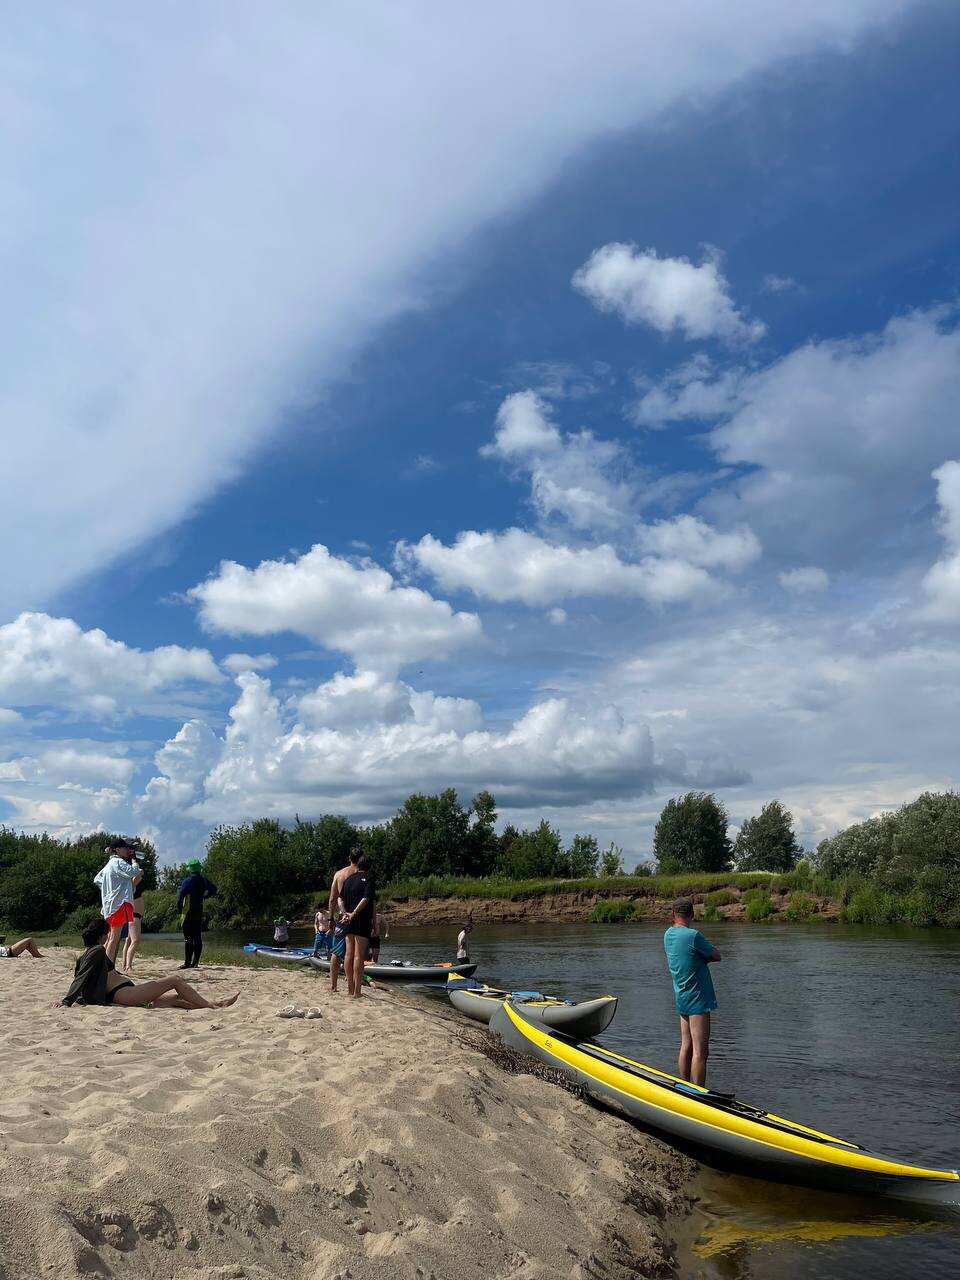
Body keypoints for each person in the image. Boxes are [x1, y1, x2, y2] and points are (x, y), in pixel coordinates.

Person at [62, 917, 238, 1010]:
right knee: (175, 980)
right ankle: (213, 1007)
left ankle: (214, 1003)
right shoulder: (97, 951)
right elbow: (82, 977)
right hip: (123, 993)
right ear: (102, 935)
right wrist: (67, 1001)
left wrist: (76, 998)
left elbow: (83, 977)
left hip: (124, 992)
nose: (108, 937)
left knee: (177, 999)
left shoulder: (86, 954)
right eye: (107, 934)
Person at [663, 897, 721, 1087]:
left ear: (673, 914)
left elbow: (686, 957)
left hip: (681, 996)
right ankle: (697, 1091)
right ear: (692, 915)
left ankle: (684, 1085)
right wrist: (703, 959)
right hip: (698, 998)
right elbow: (716, 955)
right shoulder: (693, 936)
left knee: (686, 1045)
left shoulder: (668, 935)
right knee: (700, 1052)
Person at [94, 839, 143, 963]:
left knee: (111, 936)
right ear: (117, 849)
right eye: (125, 848)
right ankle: (108, 967)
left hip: (110, 905)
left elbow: (97, 879)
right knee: (114, 938)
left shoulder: (109, 864)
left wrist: (109, 889)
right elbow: (134, 872)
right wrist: (135, 861)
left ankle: (105, 965)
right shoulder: (119, 862)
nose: (127, 850)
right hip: (119, 904)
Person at [340, 853, 374, 998]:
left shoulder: (348, 880)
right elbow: (366, 899)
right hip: (361, 920)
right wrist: (353, 913)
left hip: (348, 920)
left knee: (348, 954)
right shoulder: (369, 879)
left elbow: (340, 899)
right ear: (369, 867)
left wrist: (344, 913)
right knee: (358, 956)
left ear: (358, 865)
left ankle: (350, 989)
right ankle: (357, 992)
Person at [328, 849, 360, 993]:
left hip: (343, 917)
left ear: (349, 858)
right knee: (356, 953)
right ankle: (353, 986)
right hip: (358, 917)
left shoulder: (339, 874)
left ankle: (334, 986)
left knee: (336, 952)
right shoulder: (363, 874)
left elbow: (333, 898)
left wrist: (331, 918)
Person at [176, 859, 218, 969]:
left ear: (190, 869)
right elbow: (214, 889)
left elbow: (181, 896)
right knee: (197, 936)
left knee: (188, 937)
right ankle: (195, 963)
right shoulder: (204, 880)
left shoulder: (188, 881)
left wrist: (179, 910)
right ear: (199, 869)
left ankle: (187, 963)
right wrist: (205, 897)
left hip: (187, 911)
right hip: (199, 910)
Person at [121, 856, 147, 972]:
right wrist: (135, 862)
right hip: (134, 913)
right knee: (135, 940)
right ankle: (128, 966)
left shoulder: (130, 883)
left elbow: (139, 874)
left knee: (128, 940)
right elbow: (138, 875)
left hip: (135, 913)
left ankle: (125, 964)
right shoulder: (130, 883)